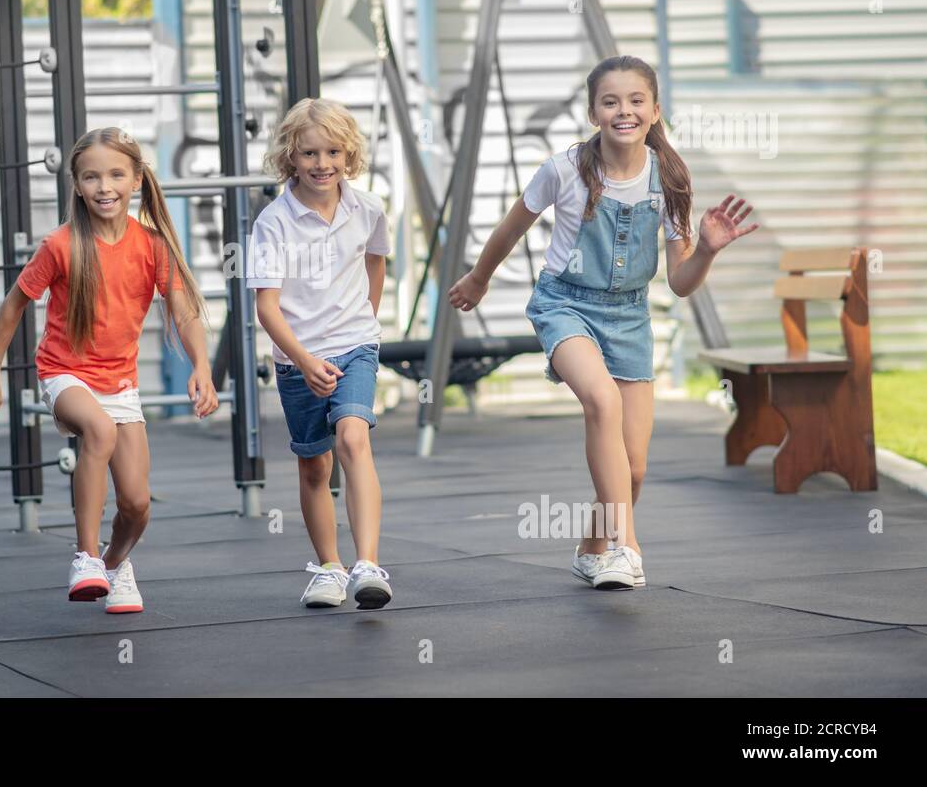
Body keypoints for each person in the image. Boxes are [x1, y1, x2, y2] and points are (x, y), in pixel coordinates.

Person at [449, 55, 758, 589]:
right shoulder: (563, 170)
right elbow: (510, 229)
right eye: (610, 101)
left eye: (636, 100)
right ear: (594, 112)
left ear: (655, 110)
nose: (624, 111)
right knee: (602, 401)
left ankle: (593, 546)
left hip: (629, 316)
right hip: (564, 304)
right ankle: (625, 545)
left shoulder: (671, 181)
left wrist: (705, 251)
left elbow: (680, 282)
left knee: (632, 469)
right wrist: (479, 278)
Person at [0, 127, 218, 613]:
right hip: (64, 374)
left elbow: (184, 313)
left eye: (116, 175)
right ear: (77, 185)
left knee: (137, 505)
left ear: (137, 179)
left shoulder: (152, 247)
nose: (104, 186)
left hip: (120, 384)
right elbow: (14, 305)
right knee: (98, 431)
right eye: (91, 177)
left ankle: (114, 563)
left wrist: (201, 366)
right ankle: (84, 555)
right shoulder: (61, 245)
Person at [248, 98, 394, 609]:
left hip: (355, 345)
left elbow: (376, 260)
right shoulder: (273, 222)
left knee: (354, 438)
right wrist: (305, 361)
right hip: (297, 358)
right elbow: (267, 309)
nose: (322, 163)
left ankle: (368, 564)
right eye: (309, 153)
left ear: (349, 154)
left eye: (333, 151)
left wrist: (367, 320)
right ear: (290, 156)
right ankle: (328, 566)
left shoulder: (368, 209)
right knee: (315, 467)